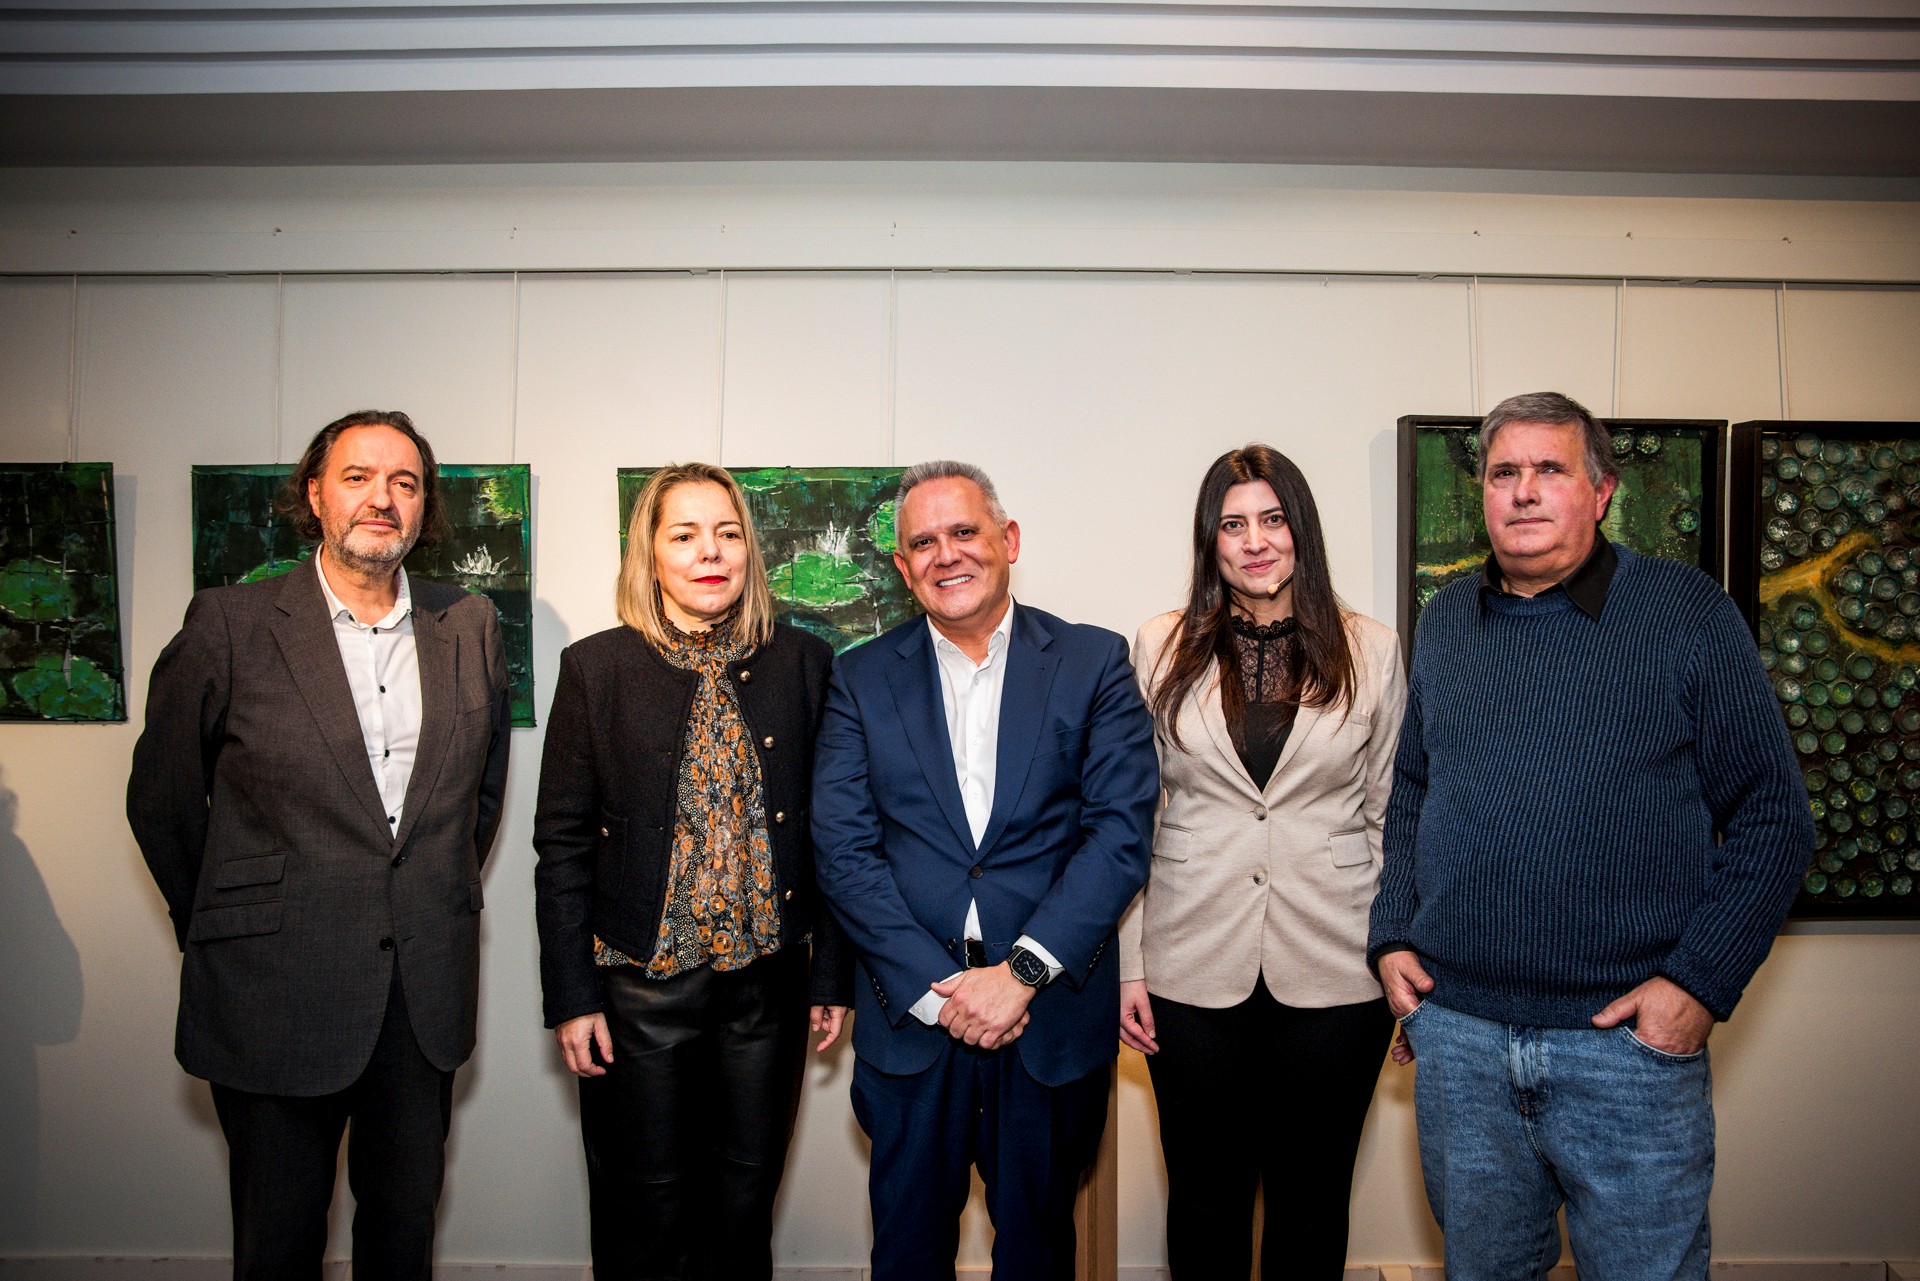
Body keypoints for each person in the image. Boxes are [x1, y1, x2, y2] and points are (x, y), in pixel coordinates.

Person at [1368, 391, 1813, 1281]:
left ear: (1602, 491)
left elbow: (1775, 816)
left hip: (1624, 1052)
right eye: (1504, 472)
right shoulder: (1449, 620)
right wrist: (1392, 934)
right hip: (1461, 1044)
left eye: (1550, 469)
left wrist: (1697, 983)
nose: (1523, 491)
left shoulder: (1685, 612)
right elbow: (1414, 788)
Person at [128, 409, 511, 1279]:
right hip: (272, 991)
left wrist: (422, 895)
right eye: (358, 477)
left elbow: (472, 805)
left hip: (421, 998)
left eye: (405, 483)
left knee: (402, 1238)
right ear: (314, 492)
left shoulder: (470, 627)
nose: (383, 498)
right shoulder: (230, 623)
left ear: (424, 509)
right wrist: (231, 921)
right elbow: (164, 800)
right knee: (278, 1243)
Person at [811, 461, 1159, 1281]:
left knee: (1038, 1250)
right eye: (922, 542)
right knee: (906, 1250)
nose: (945, 554)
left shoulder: (1092, 661)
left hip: (1048, 1020)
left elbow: (1119, 833)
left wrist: (1022, 973)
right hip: (911, 1023)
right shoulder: (859, 678)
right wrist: (941, 987)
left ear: (1007, 541)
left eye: (963, 531)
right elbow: (844, 850)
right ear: (902, 567)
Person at [532, 462, 852, 1281]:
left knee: (743, 1209)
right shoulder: (594, 669)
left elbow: (838, 833)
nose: (709, 552)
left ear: (749, 548)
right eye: (685, 534)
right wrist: (572, 996)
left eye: (728, 532)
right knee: (648, 1213)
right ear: (651, 552)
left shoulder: (805, 663)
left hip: (767, 991)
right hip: (638, 992)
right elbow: (562, 842)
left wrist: (832, 976)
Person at [1119, 444, 1405, 1279]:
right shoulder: (1159, 644)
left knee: (1312, 1203)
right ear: (1210, 542)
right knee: (1204, 1201)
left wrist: (1397, 956)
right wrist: (1129, 967)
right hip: (1188, 964)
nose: (1254, 541)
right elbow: (1136, 817)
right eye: (1232, 524)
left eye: (1273, 519)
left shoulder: (1374, 648)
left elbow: (1391, 815)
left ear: (1301, 531)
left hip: (1340, 968)